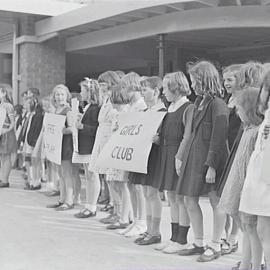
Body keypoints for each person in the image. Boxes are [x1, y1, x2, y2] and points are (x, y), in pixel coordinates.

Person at [176, 61, 229, 262]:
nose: (192, 84)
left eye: (195, 80)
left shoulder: (218, 104)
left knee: (217, 202)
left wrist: (212, 166)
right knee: (189, 200)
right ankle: (198, 242)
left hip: (209, 160)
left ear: (204, 79)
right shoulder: (199, 101)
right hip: (194, 158)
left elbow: (218, 137)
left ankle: (215, 245)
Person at [219, 87, 263, 270]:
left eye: (239, 109)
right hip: (238, 183)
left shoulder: (257, 132)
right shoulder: (247, 129)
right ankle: (246, 262)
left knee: (252, 229)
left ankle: (255, 263)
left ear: (250, 108)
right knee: (246, 228)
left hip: (249, 186)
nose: (237, 112)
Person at [151, 72, 194, 253]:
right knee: (172, 198)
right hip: (166, 154)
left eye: (166, 88)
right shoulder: (170, 108)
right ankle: (173, 238)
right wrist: (158, 139)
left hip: (178, 156)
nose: (163, 92)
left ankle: (182, 240)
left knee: (181, 199)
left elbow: (188, 135)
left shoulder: (188, 107)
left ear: (176, 87)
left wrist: (179, 157)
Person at [128, 76, 166, 245]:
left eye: (145, 90)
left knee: (152, 193)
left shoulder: (163, 112)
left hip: (155, 156)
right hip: (143, 155)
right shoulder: (145, 111)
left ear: (156, 91)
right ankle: (149, 229)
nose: (142, 93)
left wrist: (159, 139)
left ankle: (155, 231)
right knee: (145, 192)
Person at [239, 69, 270, 269]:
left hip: (266, 178)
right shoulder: (267, 114)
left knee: (264, 231)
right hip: (259, 176)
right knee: (260, 229)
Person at [88, 71, 120, 222]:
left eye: (103, 84)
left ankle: (117, 209)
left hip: (109, 137)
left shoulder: (115, 99)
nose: (101, 87)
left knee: (113, 177)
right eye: (99, 84)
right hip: (102, 135)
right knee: (107, 177)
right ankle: (114, 208)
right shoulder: (106, 99)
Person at [119, 72, 148, 237]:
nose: (122, 92)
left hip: (136, 149)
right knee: (130, 185)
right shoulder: (131, 106)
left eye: (124, 88)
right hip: (128, 148)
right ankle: (136, 219)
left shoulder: (141, 105)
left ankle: (142, 221)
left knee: (138, 187)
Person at [104, 85, 131, 230]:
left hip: (121, 152)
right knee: (113, 182)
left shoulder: (126, 112)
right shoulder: (115, 113)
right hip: (113, 150)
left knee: (122, 184)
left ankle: (124, 216)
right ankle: (118, 211)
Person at [74, 78, 100, 218]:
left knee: (92, 176)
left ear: (90, 92)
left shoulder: (95, 108)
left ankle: (92, 206)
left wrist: (83, 126)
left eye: (82, 90)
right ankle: (88, 205)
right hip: (85, 146)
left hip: (91, 146)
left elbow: (97, 128)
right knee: (88, 176)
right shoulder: (88, 107)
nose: (80, 93)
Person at [46, 84, 75, 211]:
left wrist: (63, 130)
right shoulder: (54, 110)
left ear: (66, 96)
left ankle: (69, 201)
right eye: (57, 94)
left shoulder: (68, 110)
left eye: (62, 94)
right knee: (61, 174)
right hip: (56, 145)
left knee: (67, 174)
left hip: (66, 145)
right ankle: (62, 199)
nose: (59, 97)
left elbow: (72, 128)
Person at [0, 84, 17, 188]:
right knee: (2, 157)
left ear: (4, 93)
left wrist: (5, 130)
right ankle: (2, 178)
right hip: (1, 132)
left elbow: (12, 122)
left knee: (6, 157)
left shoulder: (8, 106)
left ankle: (5, 180)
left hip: (6, 133)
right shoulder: (1, 105)